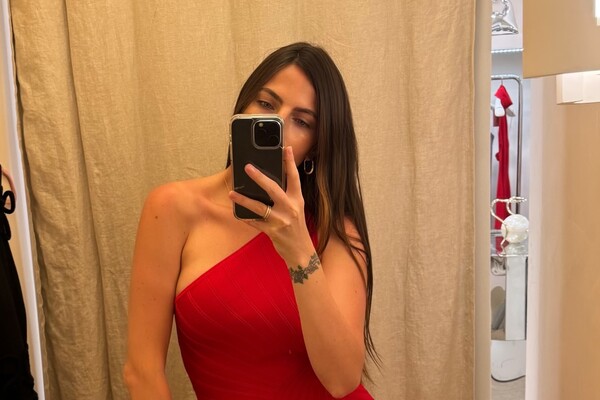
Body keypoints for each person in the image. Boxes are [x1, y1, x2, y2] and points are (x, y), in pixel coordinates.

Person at [124, 42, 378, 399]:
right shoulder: (171, 209)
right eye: (267, 104)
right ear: (242, 109)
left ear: (316, 146)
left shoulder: (334, 230)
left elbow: (342, 380)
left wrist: (299, 250)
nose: (278, 125)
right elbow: (142, 371)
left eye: (302, 121)